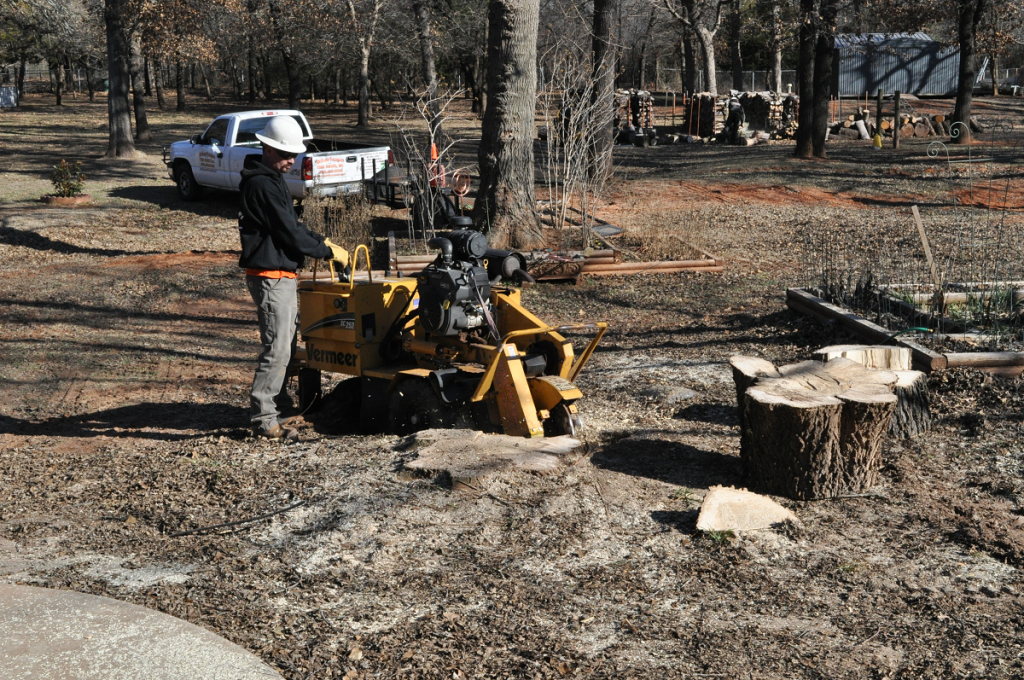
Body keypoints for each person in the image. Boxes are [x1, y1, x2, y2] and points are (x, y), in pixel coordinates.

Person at [238, 115, 348, 440]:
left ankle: (281, 404)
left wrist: (324, 242)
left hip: (281, 274)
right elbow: (289, 234)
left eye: (294, 154)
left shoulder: (271, 181)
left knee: (285, 344)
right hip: (270, 276)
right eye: (286, 154)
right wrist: (325, 252)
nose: (292, 160)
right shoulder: (262, 184)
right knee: (278, 349)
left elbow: (294, 226)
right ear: (268, 148)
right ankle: (264, 417)